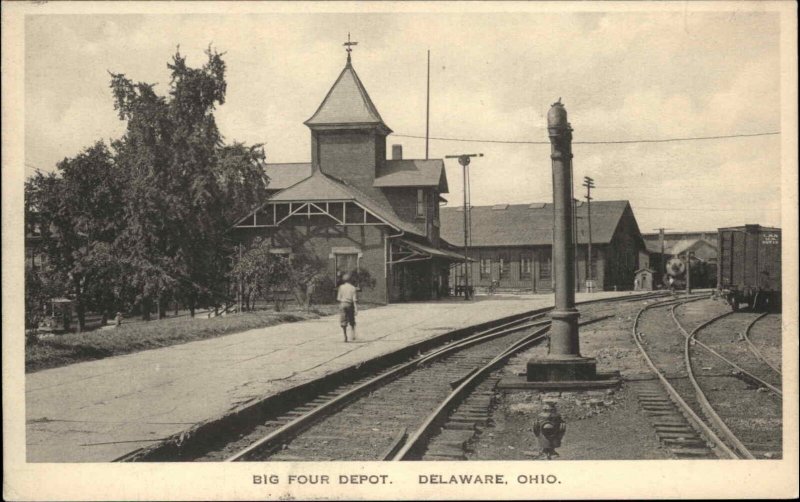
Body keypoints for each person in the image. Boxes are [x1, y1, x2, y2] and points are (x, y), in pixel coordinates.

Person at [337, 273, 358, 342]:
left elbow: (339, 298)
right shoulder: (353, 288)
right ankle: (352, 334)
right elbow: (354, 299)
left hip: (342, 304)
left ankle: (345, 336)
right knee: (351, 319)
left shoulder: (341, 287)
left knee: (343, 321)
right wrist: (356, 309)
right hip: (350, 304)